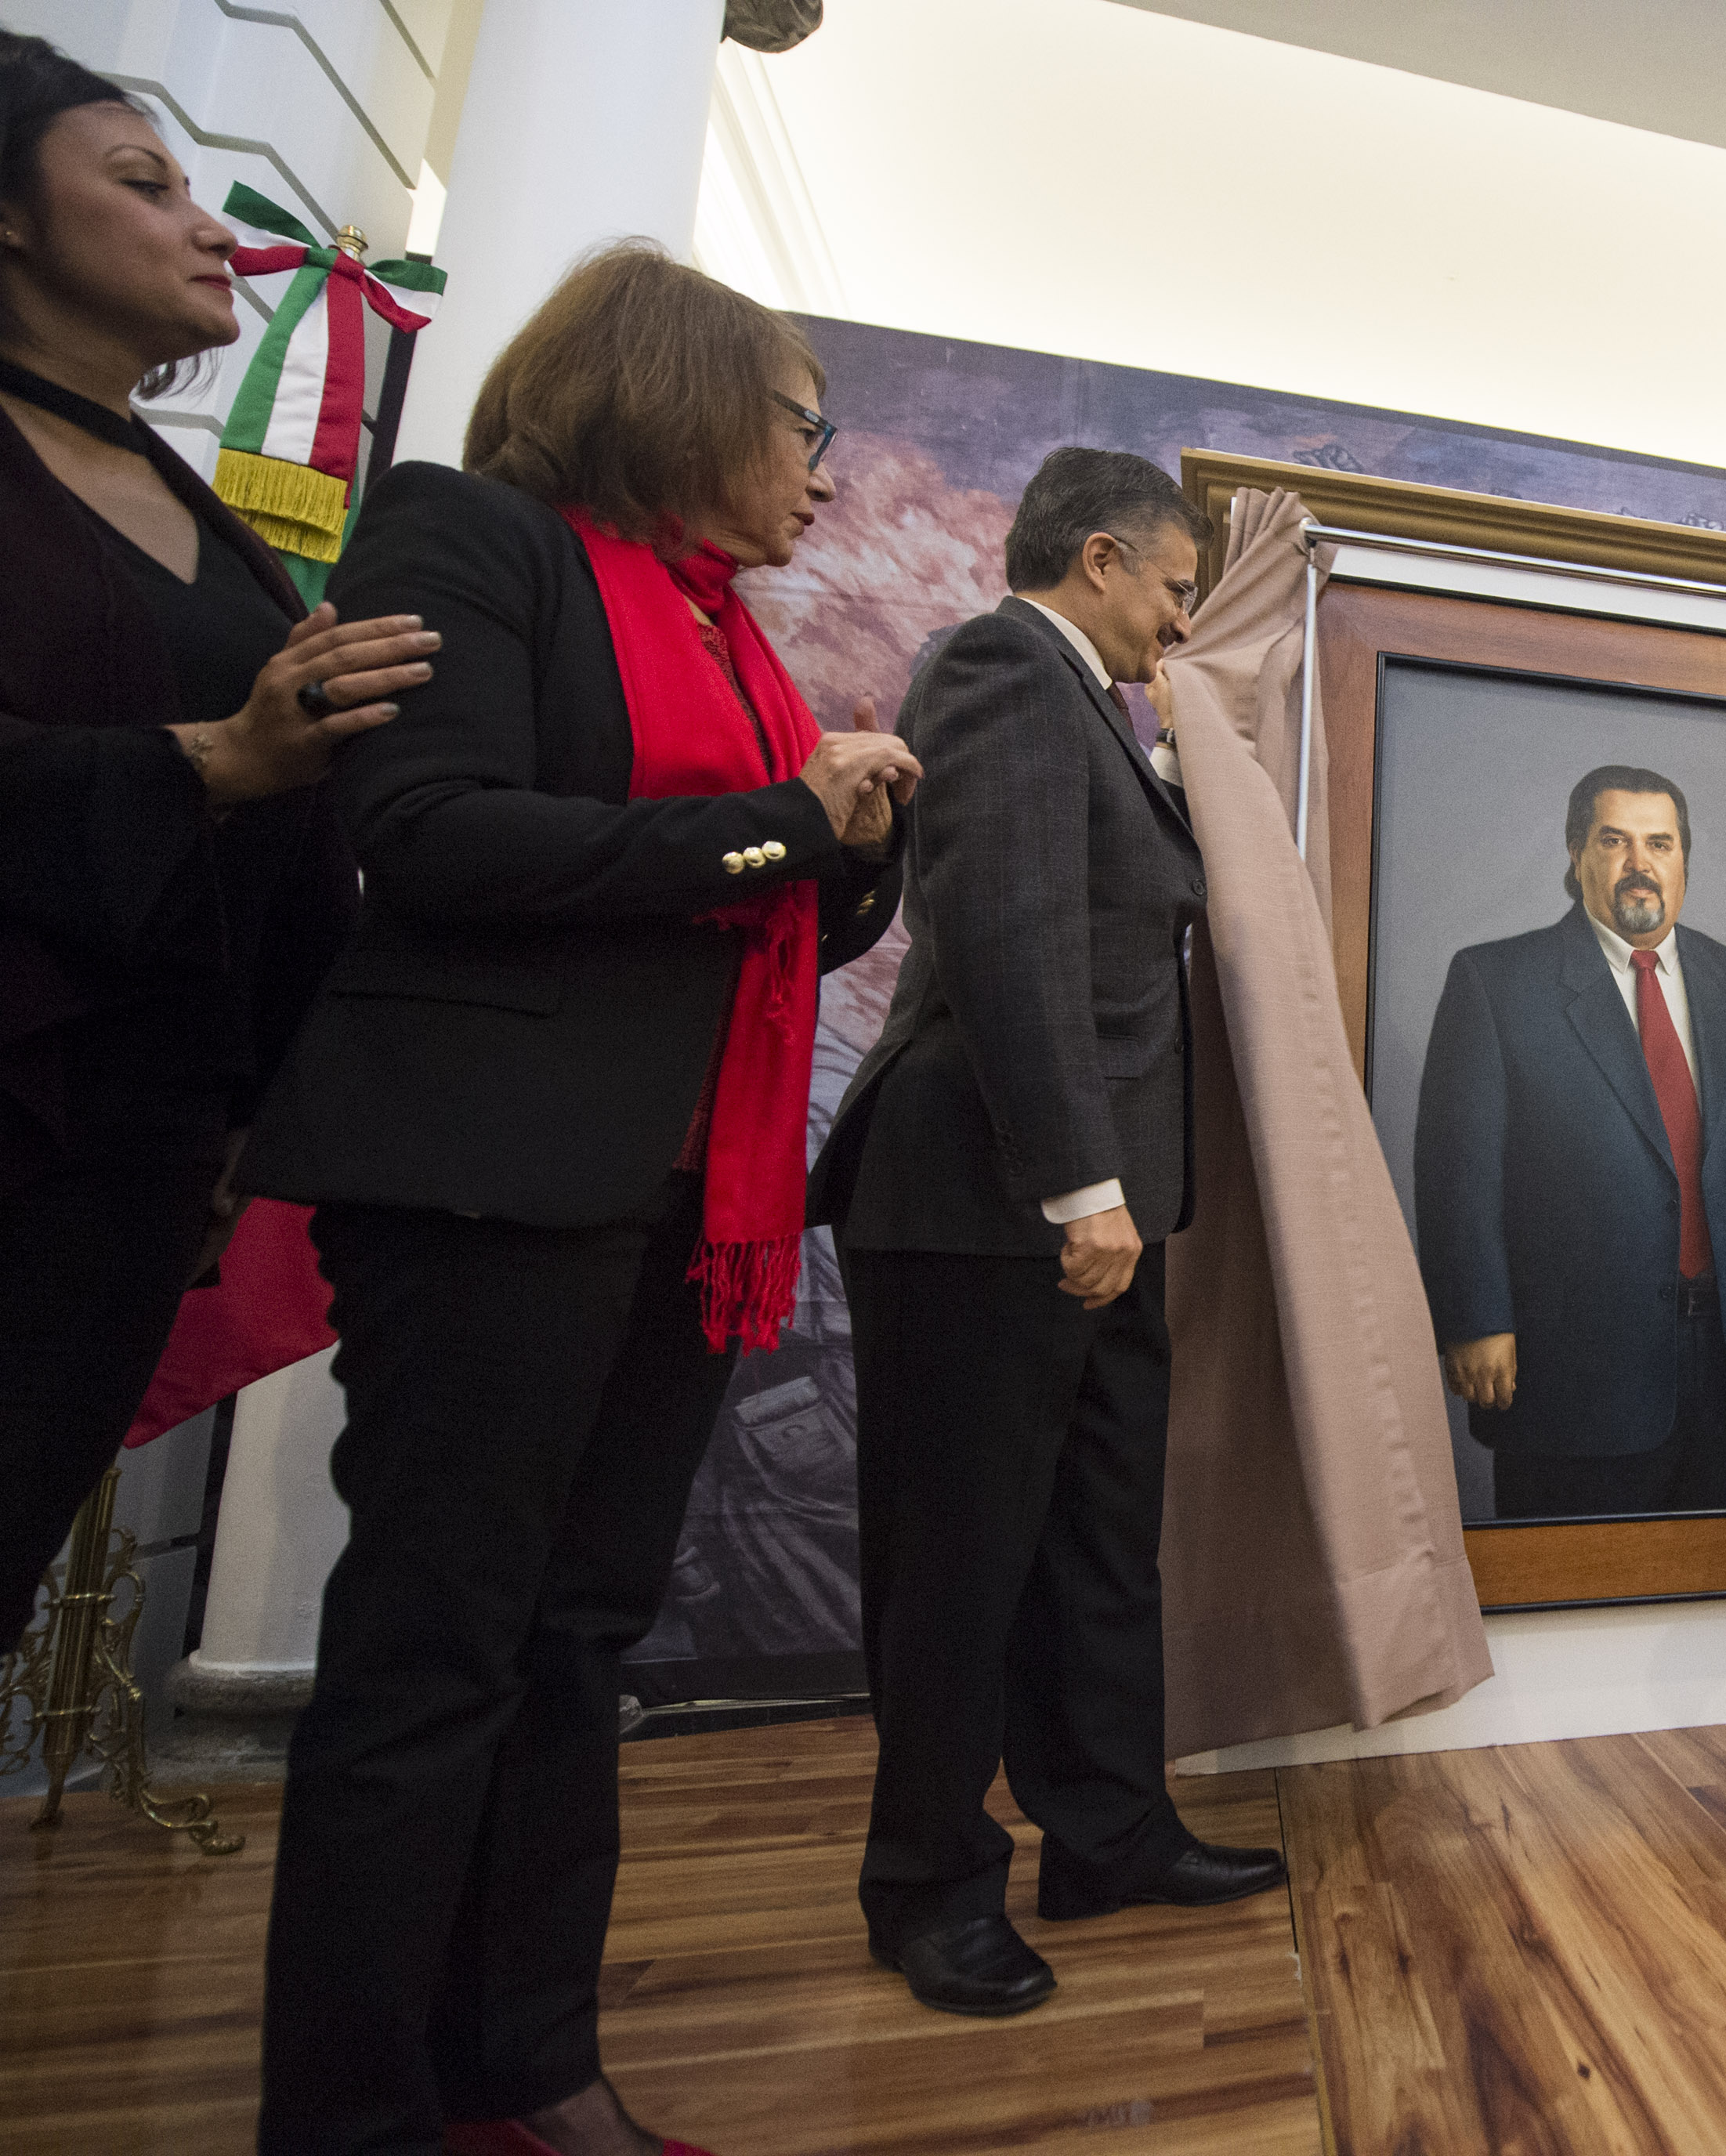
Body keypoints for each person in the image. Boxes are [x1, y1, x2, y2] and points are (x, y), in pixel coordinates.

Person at [237, 246, 918, 2155]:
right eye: (805, 428)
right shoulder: (470, 540)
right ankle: (355, 2118)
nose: (825, 474)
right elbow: (431, 837)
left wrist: (855, 839)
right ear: (679, 397)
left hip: (675, 1191)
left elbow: (754, 904)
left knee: (573, 1646)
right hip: (488, 1176)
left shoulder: (724, 632)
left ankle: (526, 2075)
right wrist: (795, 817)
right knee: (434, 1654)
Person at [806, 447, 1283, 2020]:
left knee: (1094, 1547)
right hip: (996, 1203)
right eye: (1171, 585)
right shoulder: (1006, 662)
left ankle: (1111, 1833)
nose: (1179, 619)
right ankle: (927, 1886)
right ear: (1097, 557)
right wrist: (1082, 1188)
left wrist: (1118, 1203)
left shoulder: (1099, 705)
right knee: (959, 1559)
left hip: (1100, 1214)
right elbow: (1006, 933)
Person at [0, 39, 433, 1640]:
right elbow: (228, 768)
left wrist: (272, 1091)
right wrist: (215, 756)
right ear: (10, 221)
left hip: (137, 1136)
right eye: (144, 184)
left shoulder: (205, 509)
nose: (209, 226)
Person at [1413, 764, 1726, 1520]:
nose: (1640, 863)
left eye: (1661, 843)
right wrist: (1474, 1317)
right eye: (1615, 841)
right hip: (1574, 1374)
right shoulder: (1495, 983)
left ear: (1685, 860)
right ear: (1576, 852)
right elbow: (1457, 1170)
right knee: (1572, 1613)